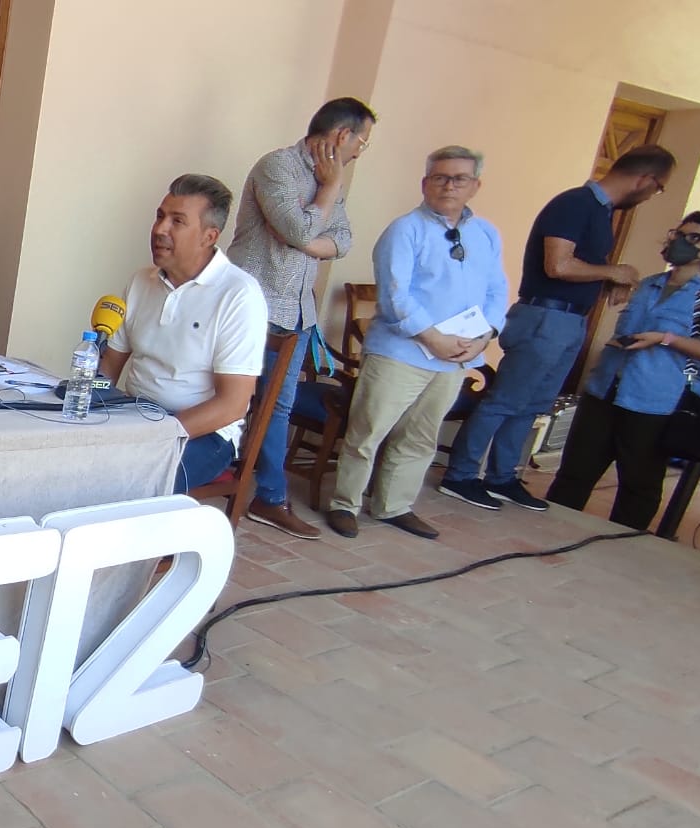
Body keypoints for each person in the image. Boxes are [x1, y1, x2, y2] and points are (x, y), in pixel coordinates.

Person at [438, 144, 676, 511]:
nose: (652, 195)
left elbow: (577, 267)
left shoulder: (601, 212)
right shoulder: (575, 203)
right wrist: (615, 271)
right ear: (645, 179)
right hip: (544, 317)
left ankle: (502, 477)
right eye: (657, 188)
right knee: (504, 402)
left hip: (569, 320)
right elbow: (558, 266)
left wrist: (603, 280)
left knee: (531, 406)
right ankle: (460, 476)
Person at [324, 147, 510, 540]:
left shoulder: (486, 234)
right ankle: (345, 504)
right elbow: (395, 297)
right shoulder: (405, 229)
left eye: (459, 178)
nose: (449, 185)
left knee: (421, 435)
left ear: (475, 185)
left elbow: (497, 290)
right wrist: (432, 337)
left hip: (457, 356)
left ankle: (393, 505)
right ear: (425, 183)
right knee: (369, 431)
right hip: (401, 352)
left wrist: (485, 337)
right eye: (440, 177)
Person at [547, 210, 700, 529]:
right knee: (575, 471)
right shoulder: (650, 284)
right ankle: (548, 531)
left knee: (638, 484)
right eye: (679, 234)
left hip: (656, 400)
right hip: (606, 389)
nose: (681, 242)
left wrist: (666, 339)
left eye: (694, 238)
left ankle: (620, 546)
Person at [231, 97, 376, 540]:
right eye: (361, 143)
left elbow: (344, 238)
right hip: (251, 304)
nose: (358, 152)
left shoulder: (331, 182)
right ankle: (211, 480)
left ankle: (268, 498)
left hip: (296, 313)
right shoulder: (276, 166)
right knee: (229, 398)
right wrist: (327, 195)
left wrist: (311, 242)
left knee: (279, 407)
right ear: (341, 135)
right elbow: (296, 229)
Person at [98, 175, 269, 492]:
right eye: (160, 216)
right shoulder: (140, 282)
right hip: (135, 414)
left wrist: (158, 433)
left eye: (177, 221)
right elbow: (108, 366)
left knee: (127, 480)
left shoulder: (238, 295)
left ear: (208, 236)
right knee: (65, 457)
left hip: (202, 434)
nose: (160, 229)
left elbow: (232, 404)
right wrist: (85, 398)